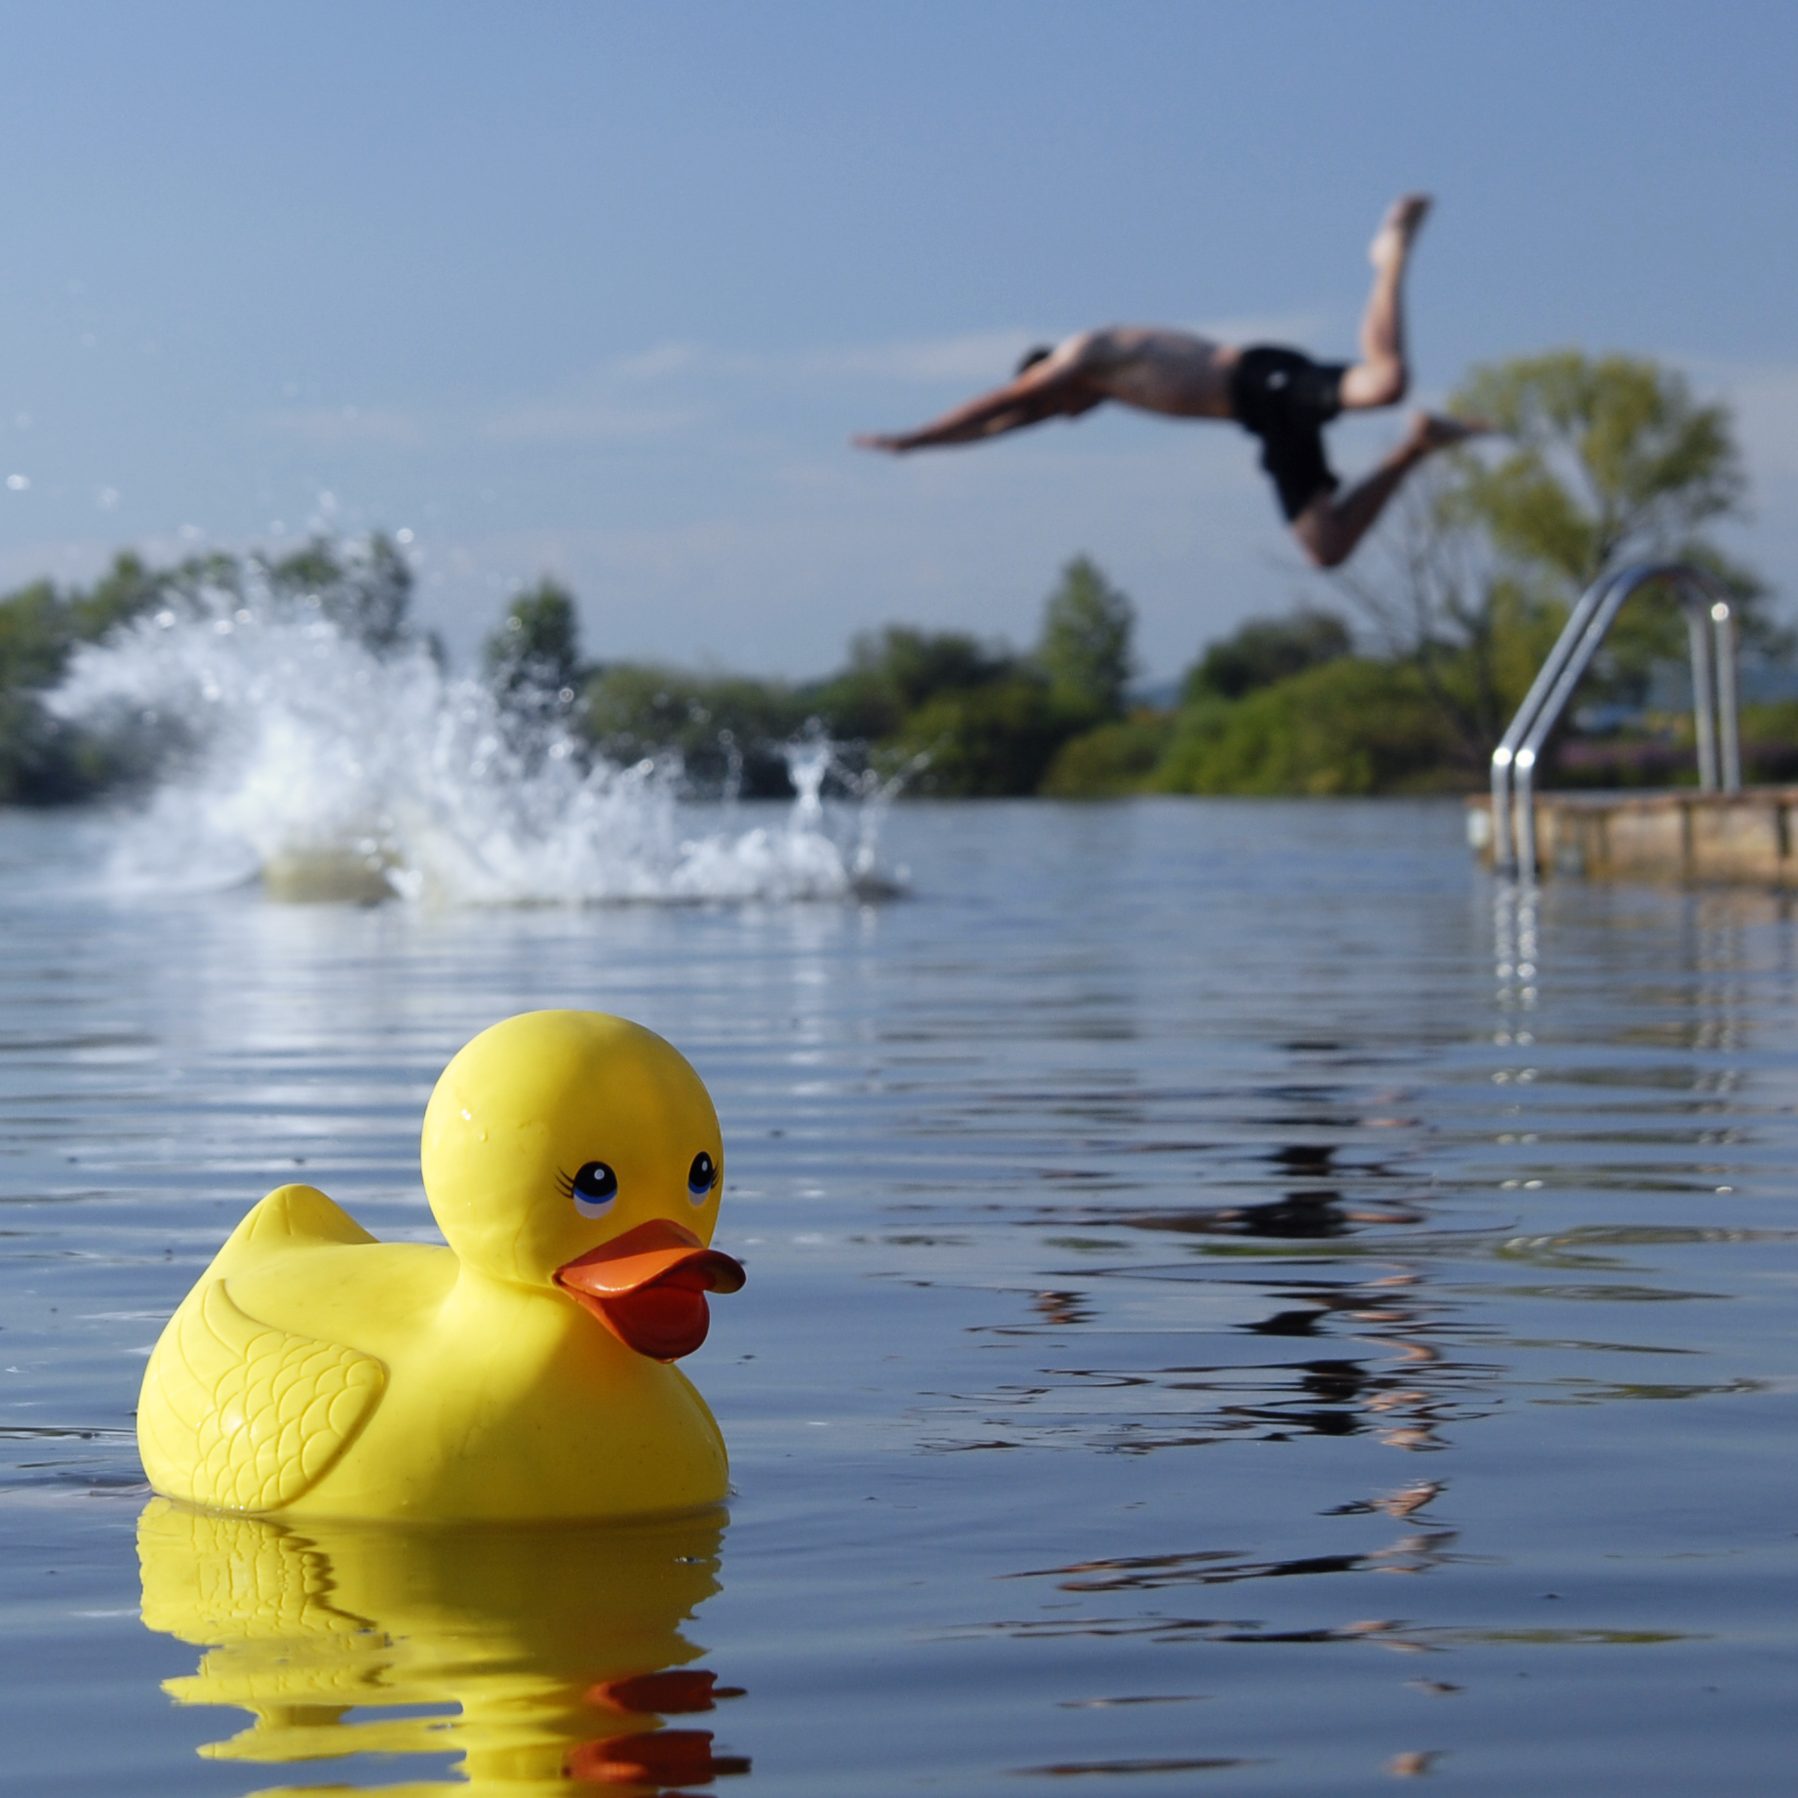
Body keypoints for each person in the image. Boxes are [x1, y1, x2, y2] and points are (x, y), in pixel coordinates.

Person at [853, 195, 1486, 569]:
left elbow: (1001, 403)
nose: (1067, 419)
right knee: (1327, 547)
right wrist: (928, 452)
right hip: (1263, 418)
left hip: (1259, 378)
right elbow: (1004, 427)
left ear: (1053, 381)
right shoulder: (1094, 389)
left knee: (1385, 384)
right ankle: (1416, 447)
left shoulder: (1090, 354)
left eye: (1059, 407)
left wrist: (913, 436)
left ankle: (1389, 258)